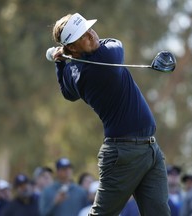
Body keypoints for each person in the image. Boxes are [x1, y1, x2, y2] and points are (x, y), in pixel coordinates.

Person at [50, 12, 170, 216]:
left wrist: (60, 62)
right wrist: (64, 59)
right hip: (123, 153)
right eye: (83, 36)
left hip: (150, 149)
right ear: (71, 47)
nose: (92, 35)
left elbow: (67, 93)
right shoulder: (105, 59)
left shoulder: (73, 72)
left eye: (89, 29)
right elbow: (116, 42)